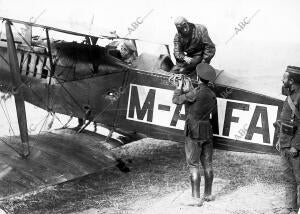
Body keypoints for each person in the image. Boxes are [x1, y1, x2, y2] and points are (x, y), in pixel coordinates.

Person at [172, 63, 217, 206]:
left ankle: (196, 199)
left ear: (198, 76)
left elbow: (176, 100)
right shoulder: (212, 94)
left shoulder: (194, 93)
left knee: (193, 164)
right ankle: (208, 194)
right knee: (207, 164)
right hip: (207, 132)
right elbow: (213, 116)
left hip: (193, 132)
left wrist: (179, 87)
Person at [277, 66, 300, 214]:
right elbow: (285, 120)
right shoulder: (290, 94)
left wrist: (296, 146)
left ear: (291, 80)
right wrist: (280, 140)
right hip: (285, 143)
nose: (282, 80)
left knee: (299, 179)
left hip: (294, 146)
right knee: (288, 177)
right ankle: (290, 207)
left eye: (284, 78)